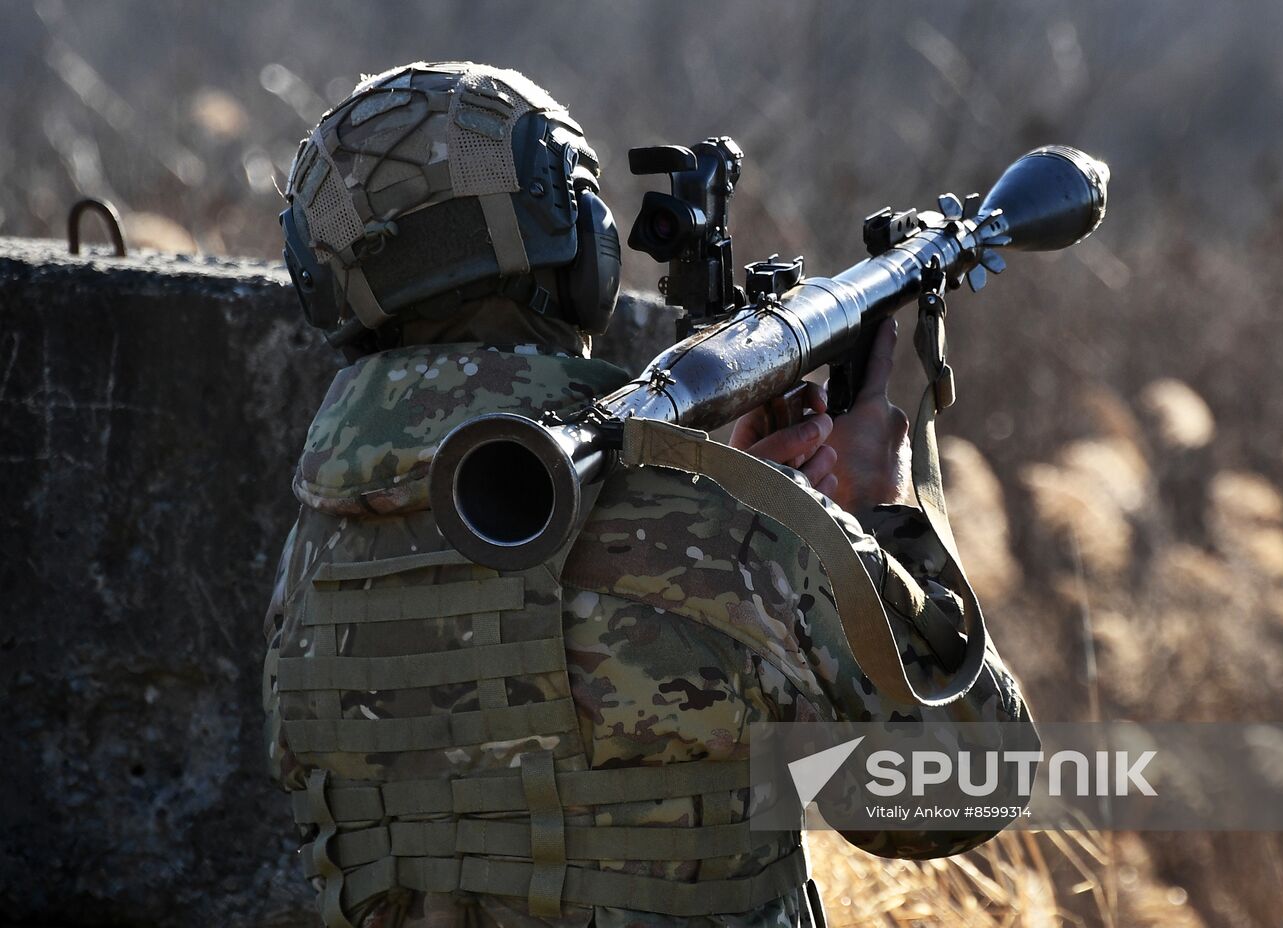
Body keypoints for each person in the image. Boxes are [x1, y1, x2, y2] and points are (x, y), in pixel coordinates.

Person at [264, 60, 1033, 928]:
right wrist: (873, 520)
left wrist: (726, 500)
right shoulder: (718, 543)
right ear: (570, 234)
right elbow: (971, 785)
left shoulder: (310, 561)